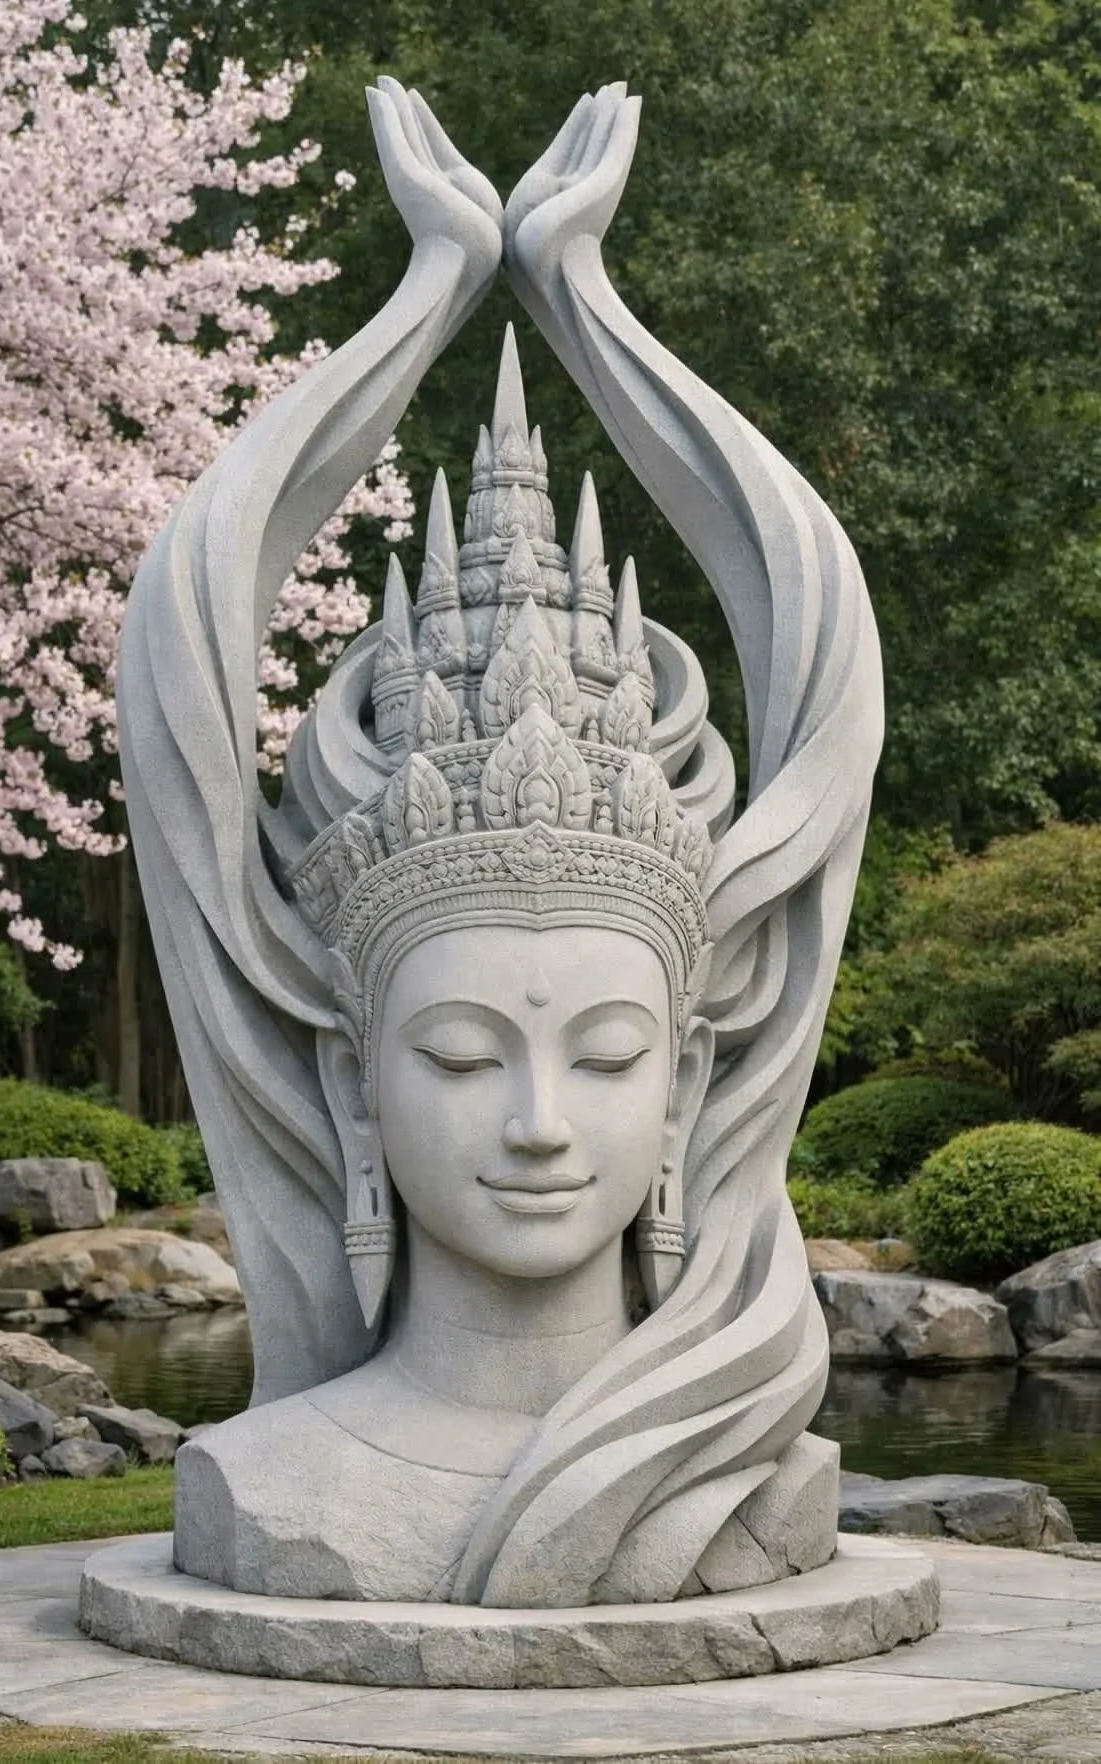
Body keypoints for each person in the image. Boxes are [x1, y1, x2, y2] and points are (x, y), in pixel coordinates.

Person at [119, 81, 882, 1608]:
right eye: (464, 1057)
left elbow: (825, 648)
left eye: (605, 1056)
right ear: (354, 1075)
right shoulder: (270, 1476)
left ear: (685, 1082)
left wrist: (583, 295)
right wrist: (432, 290)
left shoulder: (738, 1446)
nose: (539, 1122)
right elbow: (178, 655)